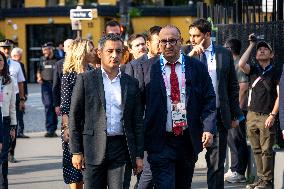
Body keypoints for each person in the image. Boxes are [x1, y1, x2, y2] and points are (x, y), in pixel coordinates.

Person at [143, 25, 216, 189]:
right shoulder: (147, 69)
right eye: (163, 41)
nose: (168, 45)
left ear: (181, 41)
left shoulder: (196, 67)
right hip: (159, 141)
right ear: (158, 44)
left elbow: (209, 99)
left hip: (187, 140)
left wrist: (208, 128)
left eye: (172, 41)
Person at [69, 34, 144, 189]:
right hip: (92, 147)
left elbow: (137, 121)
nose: (114, 55)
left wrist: (138, 155)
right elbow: (75, 117)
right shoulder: (85, 79)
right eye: (110, 51)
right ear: (99, 53)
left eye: (118, 51)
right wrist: (76, 151)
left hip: (121, 148)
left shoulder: (131, 83)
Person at [187, 18, 243, 189]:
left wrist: (235, 114)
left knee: (217, 164)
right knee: (187, 162)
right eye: (190, 35)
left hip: (218, 115)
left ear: (207, 35)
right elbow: (177, 77)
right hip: (191, 117)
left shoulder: (223, 53)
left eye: (196, 36)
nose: (192, 40)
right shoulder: (185, 53)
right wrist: (190, 57)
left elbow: (232, 86)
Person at [239, 34, 280, 189]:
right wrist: (251, 44)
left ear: (272, 55)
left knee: (266, 150)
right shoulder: (253, 70)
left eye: (265, 49)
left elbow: (280, 95)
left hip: (267, 116)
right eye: (259, 49)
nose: (262, 51)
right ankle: (261, 179)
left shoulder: (276, 72)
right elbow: (242, 63)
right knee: (256, 149)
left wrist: (273, 115)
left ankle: (267, 182)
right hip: (252, 115)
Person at [124, 25, 162, 189]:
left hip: (163, 124)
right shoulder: (133, 66)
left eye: (141, 44)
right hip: (143, 124)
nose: (141, 47)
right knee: (145, 172)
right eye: (137, 45)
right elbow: (130, 98)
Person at [60, 39, 95, 189]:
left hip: (92, 125)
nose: (94, 53)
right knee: (76, 168)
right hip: (74, 126)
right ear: (83, 52)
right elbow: (65, 106)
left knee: (92, 168)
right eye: (91, 50)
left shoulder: (93, 72)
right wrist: (67, 128)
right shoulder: (69, 75)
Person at [223, 38, 249, 183]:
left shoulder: (237, 64)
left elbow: (243, 88)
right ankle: (234, 169)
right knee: (232, 140)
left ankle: (239, 172)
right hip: (233, 110)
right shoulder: (231, 63)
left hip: (237, 111)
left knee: (237, 140)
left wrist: (236, 111)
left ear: (229, 49)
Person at [0, 40, 26, 163]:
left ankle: (11, 152)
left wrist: (22, 99)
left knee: (13, 125)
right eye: (3, 48)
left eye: (8, 48)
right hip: (2, 99)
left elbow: (20, 83)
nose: (6, 50)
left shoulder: (16, 65)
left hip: (13, 98)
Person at [0, 51, 17, 189]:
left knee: (3, 156)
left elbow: (12, 106)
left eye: (1, 60)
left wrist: (13, 127)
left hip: (5, 122)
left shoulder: (10, 80)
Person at [37, 42, 58, 137]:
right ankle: (49, 129)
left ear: (51, 49)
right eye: (43, 50)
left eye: (45, 50)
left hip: (56, 85)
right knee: (48, 106)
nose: (44, 52)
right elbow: (39, 70)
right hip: (45, 85)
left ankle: (53, 129)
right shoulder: (42, 59)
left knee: (55, 107)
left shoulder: (57, 59)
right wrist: (39, 77)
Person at [11, 47, 29, 138]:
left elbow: (23, 81)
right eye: (20, 55)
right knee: (17, 113)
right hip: (14, 93)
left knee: (20, 112)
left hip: (20, 93)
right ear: (14, 55)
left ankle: (20, 131)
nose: (21, 57)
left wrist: (25, 93)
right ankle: (17, 132)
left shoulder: (20, 64)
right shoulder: (12, 64)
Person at [52, 39, 74, 117]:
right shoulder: (59, 64)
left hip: (79, 101)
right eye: (68, 46)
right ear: (64, 48)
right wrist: (56, 104)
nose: (70, 48)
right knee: (66, 126)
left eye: (72, 46)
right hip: (65, 101)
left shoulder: (80, 63)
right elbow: (55, 85)